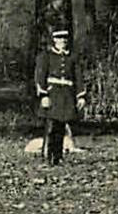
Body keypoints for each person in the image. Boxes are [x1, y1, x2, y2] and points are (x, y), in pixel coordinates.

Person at [33, 28, 83, 166]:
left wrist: (81, 96)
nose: (62, 42)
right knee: (51, 126)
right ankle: (48, 155)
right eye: (59, 39)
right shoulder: (46, 56)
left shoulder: (72, 57)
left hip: (66, 95)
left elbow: (78, 78)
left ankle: (58, 156)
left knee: (61, 126)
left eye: (65, 39)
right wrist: (43, 95)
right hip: (52, 94)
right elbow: (40, 76)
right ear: (54, 40)